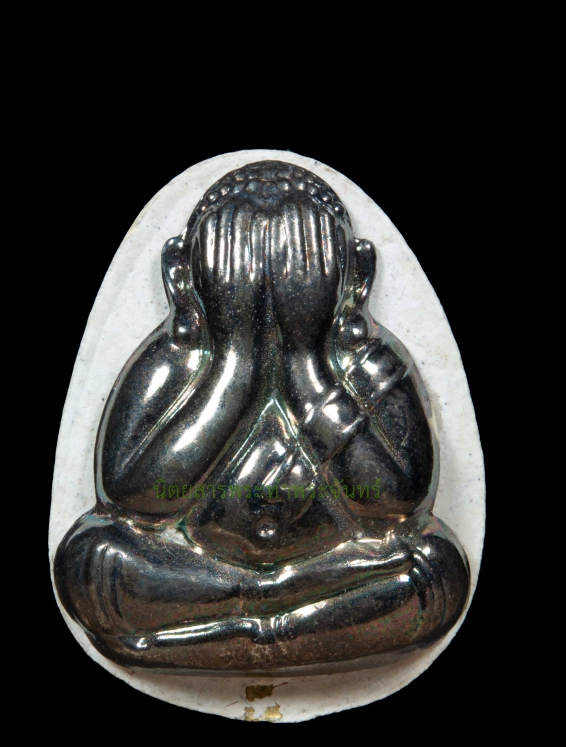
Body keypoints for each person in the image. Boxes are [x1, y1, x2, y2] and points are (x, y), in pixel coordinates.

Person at [54, 161, 469, 674]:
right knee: (93, 558)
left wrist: (305, 359)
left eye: (301, 260)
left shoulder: (369, 365)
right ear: (182, 274)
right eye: (238, 259)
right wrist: (236, 362)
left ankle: (231, 629)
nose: (268, 284)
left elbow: (394, 505)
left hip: (330, 566)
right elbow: (134, 498)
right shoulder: (174, 362)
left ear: (356, 275)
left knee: (434, 566)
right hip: (206, 573)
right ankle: (278, 619)